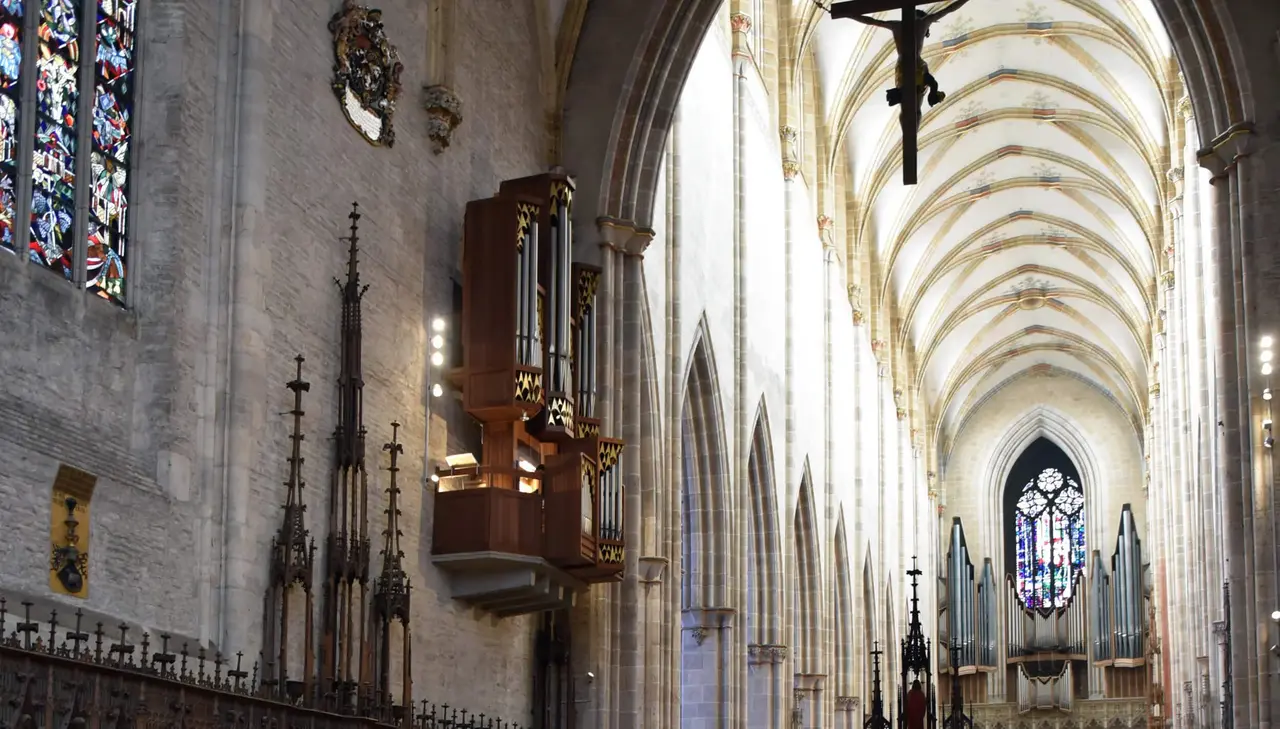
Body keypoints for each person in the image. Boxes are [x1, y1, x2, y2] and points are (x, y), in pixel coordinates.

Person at [847, 0, 972, 115]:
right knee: (920, 101)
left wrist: (847, 13)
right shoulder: (923, 22)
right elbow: (949, 9)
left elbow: (870, 20)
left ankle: (928, 94)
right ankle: (932, 95)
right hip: (917, 64)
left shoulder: (895, 25)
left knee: (911, 102)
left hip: (901, 66)